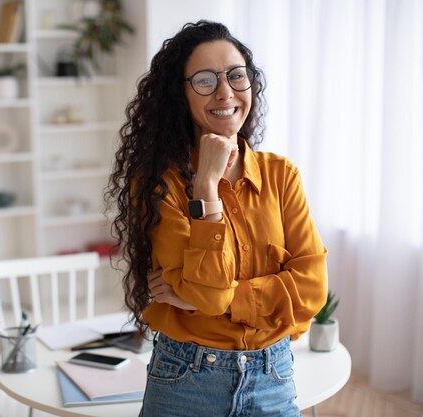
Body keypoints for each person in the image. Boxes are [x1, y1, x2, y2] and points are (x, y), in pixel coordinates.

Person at [106, 20, 328, 417]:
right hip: (185, 379)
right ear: (181, 94)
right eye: (205, 80)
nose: (225, 92)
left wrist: (217, 297)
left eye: (236, 76)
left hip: (272, 376)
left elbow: (311, 291)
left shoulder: (281, 175)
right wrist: (206, 187)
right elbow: (209, 294)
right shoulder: (160, 184)